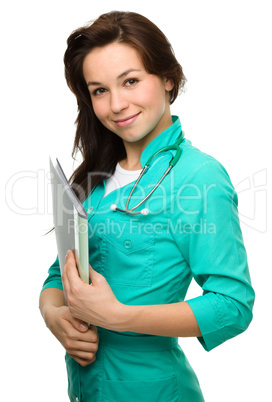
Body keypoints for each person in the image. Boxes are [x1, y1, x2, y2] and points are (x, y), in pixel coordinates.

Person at [39, 11, 255, 402]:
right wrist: (55, 316)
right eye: (99, 90)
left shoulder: (198, 178)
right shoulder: (95, 178)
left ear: (169, 78)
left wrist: (117, 317)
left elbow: (233, 306)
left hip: (154, 389)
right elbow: (61, 273)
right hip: (87, 388)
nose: (117, 104)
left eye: (131, 81)